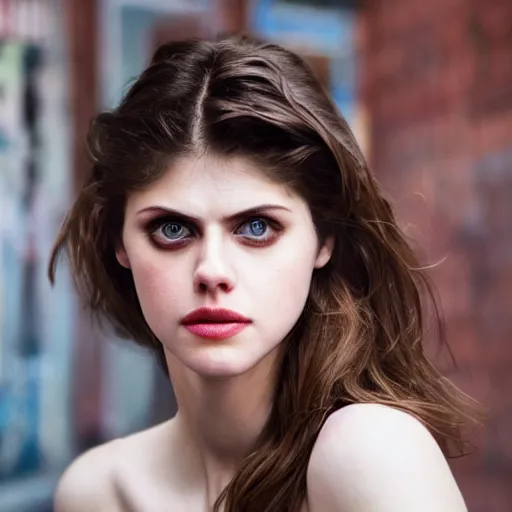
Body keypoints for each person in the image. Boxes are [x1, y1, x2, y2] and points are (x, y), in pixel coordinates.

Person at [49, 34, 478, 512]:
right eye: (172, 229)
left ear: (324, 240)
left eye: (257, 227)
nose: (212, 271)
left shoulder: (369, 451)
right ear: (119, 245)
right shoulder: (95, 492)